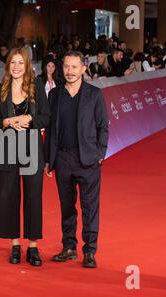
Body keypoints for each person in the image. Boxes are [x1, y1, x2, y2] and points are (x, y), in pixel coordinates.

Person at [44, 51, 109, 268]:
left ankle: (89, 251)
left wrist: (100, 154)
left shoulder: (94, 94)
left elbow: (103, 127)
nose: (69, 71)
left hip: (88, 159)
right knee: (67, 206)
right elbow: (50, 131)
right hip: (62, 158)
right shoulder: (54, 95)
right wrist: (48, 159)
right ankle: (69, 247)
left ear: (83, 68)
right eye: (66, 67)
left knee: (90, 207)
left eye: (74, 67)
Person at [0, 48, 50, 266]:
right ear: (8, 66)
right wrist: (5, 122)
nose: (16, 67)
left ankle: (33, 247)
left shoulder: (37, 89)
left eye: (20, 63)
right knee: (9, 197)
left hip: (32, 149)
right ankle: (15, 244)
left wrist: (30, 118)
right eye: (12, 63)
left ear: (27, 66)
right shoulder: (0, 90)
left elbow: (46, 117)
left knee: (33, 197)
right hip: (7, 149)